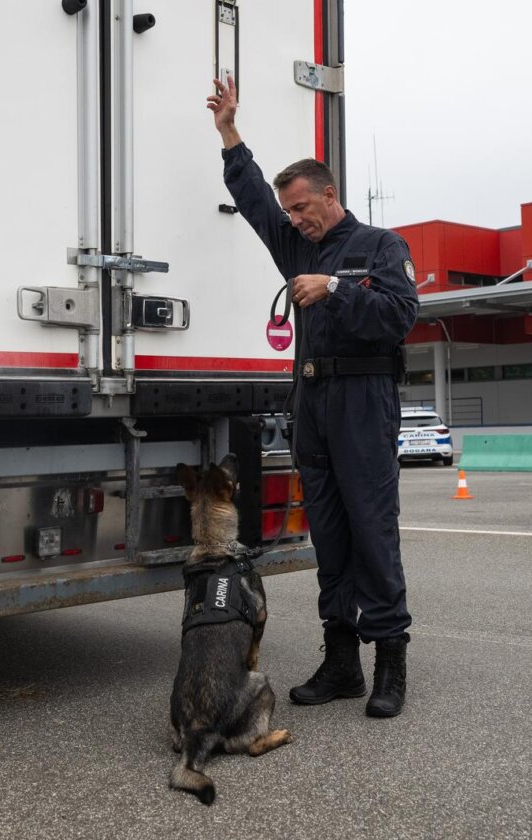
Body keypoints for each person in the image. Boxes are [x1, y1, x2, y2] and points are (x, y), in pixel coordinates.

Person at [206, 75, 419, 718]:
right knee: (327, 534)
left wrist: (336, 288)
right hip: (313, 403)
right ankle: (341, 661)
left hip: (364, 401)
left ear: (331, 194)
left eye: (303, 208)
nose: (295, 220)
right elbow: (253, 202)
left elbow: (400, 315)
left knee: (371, 533)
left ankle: (391, 663)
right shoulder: (294, 242)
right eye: (291, 213)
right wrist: (229, 133)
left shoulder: (380, 246)